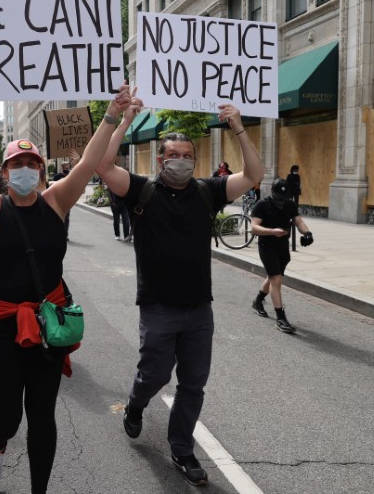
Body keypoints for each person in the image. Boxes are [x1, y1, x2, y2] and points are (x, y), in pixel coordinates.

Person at [0, 81, 134, 494]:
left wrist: (113, 114)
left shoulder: (57, 202)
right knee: (7, 415)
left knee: (42, 416)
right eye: (16, 164)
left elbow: (88, 161)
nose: (24, 170)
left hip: (48, 326)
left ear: (42, 172)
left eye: (32, 164)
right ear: (5, 172)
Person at [95, 101, 263, 487]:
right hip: (157, 309)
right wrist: (125, 121)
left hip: (199, 311)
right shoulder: (142, 191)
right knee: (153, 374)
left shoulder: (208, 191)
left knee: (192, 384)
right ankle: (136, 404)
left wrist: (238, 127)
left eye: (188, 156)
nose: (181, 162)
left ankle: (182, 449)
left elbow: (254, 174)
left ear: (195, 159)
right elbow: (103, 166)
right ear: (160, 159)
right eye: (174, 155)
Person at [249, 178, 313, 332]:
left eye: (284, 198)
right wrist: (272, 232)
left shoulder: (290, 204)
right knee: (276, 279)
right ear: (272, 192)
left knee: (273, 277)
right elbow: (254, 228)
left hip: (283, 246)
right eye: (279, 198)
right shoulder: (262, 205)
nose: (281, 201)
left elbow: (298, 221)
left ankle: (257, 301)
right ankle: (280, 318)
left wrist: (307, 233)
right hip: (267, 246)